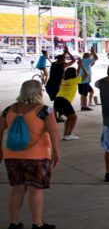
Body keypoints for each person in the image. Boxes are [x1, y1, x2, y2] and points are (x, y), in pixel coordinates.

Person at [0, 80, 61, 229]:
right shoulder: (44, 111)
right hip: (37, 156)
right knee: (35, 190)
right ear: (39, 92)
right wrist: (56, 151)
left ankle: (14, 223)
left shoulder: (9, 110)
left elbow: (0, 129)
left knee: (17, 188)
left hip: (12, 156)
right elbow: (53, 132)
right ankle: (37, 223)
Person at [54, 60, 88, 140]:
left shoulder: (64, 80)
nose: (77, 73)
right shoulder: (74, 81)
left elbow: (76, 73)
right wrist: (82, 66)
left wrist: (79, 66)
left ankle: (66, 135)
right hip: (64, 101)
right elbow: (86, 75)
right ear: (74, 74)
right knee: (74, 117)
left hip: (57, 100)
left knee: (70, 117)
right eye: (75, 73)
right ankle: (68, 134)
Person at [78, 46, 99, 111]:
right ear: (87, 57)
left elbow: (92, 63)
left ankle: (86, 104)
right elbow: (96, 58)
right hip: (84, 81)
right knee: (84, 94)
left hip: (83, 80)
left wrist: (92, 53)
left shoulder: (84, 61)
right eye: (90, 56)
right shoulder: (86, 61)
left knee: (89, 92)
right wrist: (93, 51)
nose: (91, 57)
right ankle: (84, 106)